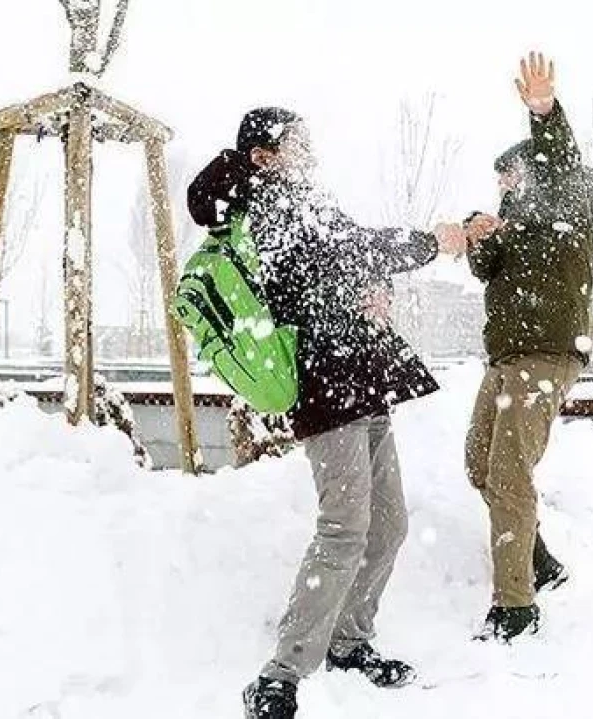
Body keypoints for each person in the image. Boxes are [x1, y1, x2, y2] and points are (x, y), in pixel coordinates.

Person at [187, 108, 468, 719]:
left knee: (388, 523)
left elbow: (349, 261)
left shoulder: (302, 198)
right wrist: (431, 242)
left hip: (361, 375)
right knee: (344, 526)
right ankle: (279, 675)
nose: (309, 150)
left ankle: (348, 643)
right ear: (264, 155)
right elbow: (352, 250)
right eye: (296, 143)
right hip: (327, 380)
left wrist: (378, 290)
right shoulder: (267, 205)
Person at [462, 53, 593, 642]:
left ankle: (516, 606)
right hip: (507, 359)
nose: (503, 187)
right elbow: (485, 269)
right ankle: (539, 558)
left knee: (510, 472)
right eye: (498, 182)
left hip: (546, 356)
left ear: (534, 172)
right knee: (479, 462)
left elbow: (561, 162)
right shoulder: (514, 226)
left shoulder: (569, 203)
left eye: (510, 177)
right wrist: (477, 233)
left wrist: (543, 111)